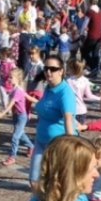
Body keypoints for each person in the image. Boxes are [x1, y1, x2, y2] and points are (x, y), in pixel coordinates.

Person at [27, 56, 76, 186]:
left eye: (53, 69)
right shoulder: (48, 88)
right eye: (46, 68)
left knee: (57, 184)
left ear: (61, 71)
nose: (48, 72)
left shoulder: (65, 93)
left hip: (57, 146)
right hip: (41, 142)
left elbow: (68, 119)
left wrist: (70, 147)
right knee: (34, 180)